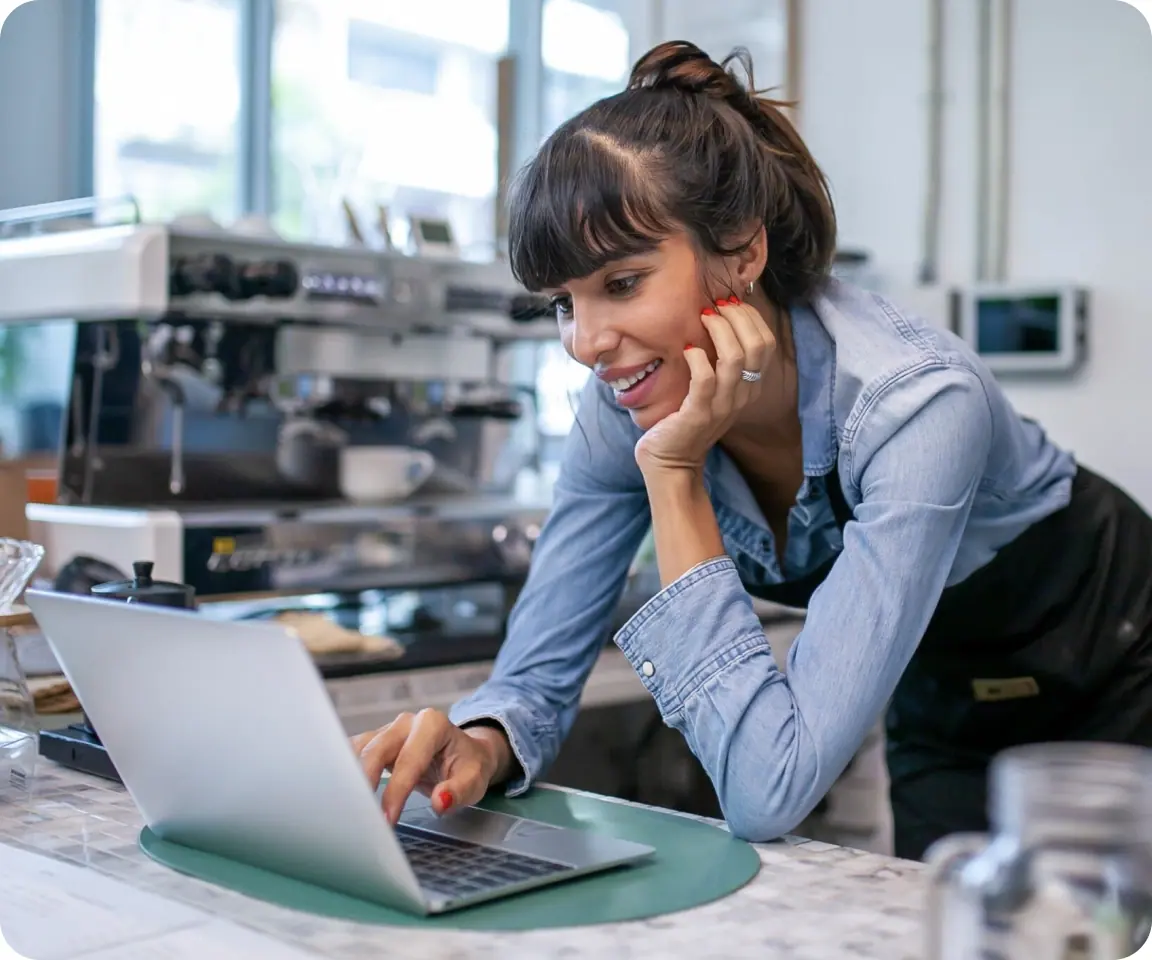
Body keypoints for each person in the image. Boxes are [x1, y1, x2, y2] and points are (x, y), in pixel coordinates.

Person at [350, 40, 1152, 861]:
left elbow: (768, 789)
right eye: (563, 303)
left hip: (1115, 646)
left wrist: (672, 474)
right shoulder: (619, 402)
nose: (587, 343)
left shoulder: (916, 404)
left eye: (622, 284)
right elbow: (532, 679)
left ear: (743, 249)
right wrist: (483, 741)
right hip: (940, 677)